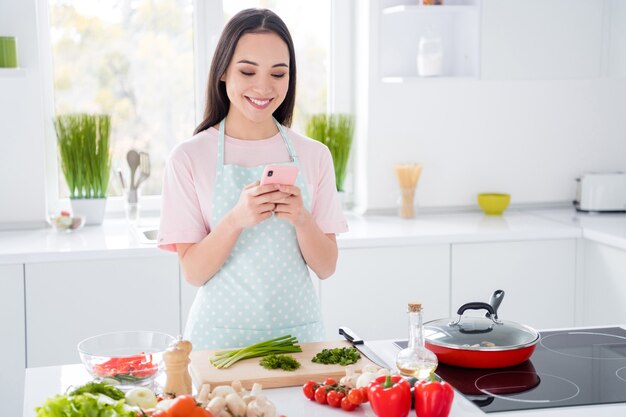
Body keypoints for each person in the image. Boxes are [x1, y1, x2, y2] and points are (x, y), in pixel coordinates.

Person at [157, 8, 348, 350]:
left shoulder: (314, 155)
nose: (263, 87)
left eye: (278, 73)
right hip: (218, 344)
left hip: (300, 341)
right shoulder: (188, 158)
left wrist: (302, 219)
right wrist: (235, 220)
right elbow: (194, 273)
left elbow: (327, 267)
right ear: (223, 72)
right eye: (248, 71)